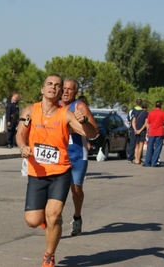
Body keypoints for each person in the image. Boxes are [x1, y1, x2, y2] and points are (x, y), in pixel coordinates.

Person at [16, 74, 98, 267]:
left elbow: (92, 134)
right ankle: (46, 220)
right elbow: (20, 133)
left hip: (60, 172)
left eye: (58, 86)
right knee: (32, 221)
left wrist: (84, 120)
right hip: (37, 173)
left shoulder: (66, 114)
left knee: (54, 215)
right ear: (42, 89)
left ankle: (49, 255)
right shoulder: (30, 111)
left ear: (61, 92)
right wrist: (22, 147)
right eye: (49, 84)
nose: (53, 87)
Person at [59, 78, 98, 237]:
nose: (66, 91)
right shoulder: (56, 106)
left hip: (77, 155)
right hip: (60, 155)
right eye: (64, 88)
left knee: (76, 190)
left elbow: (95, 130)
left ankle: (77, 217)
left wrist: (83, 121)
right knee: (58, 190)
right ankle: (56, 220)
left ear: (76, 92)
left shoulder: (80, 106)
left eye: (70, 89)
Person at [143, 100, 164, 167]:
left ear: (155, 105)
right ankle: (154, 162)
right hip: (160, 132)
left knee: (150, 147)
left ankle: (147, 162)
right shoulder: (163, 113)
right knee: (157, 148)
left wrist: (147, 131)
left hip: (152, 132)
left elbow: (148, 123)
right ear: (161, 106)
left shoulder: (151, 113)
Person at [127, 98, 143, 163]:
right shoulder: (143, 111)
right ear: (141, 103)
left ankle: (130, 158)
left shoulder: (132, 111)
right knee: (140, 144)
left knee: (132, 144)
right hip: (141, 129)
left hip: (133, 129)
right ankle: (138, 157)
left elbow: (128, 119)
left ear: (136, 103)